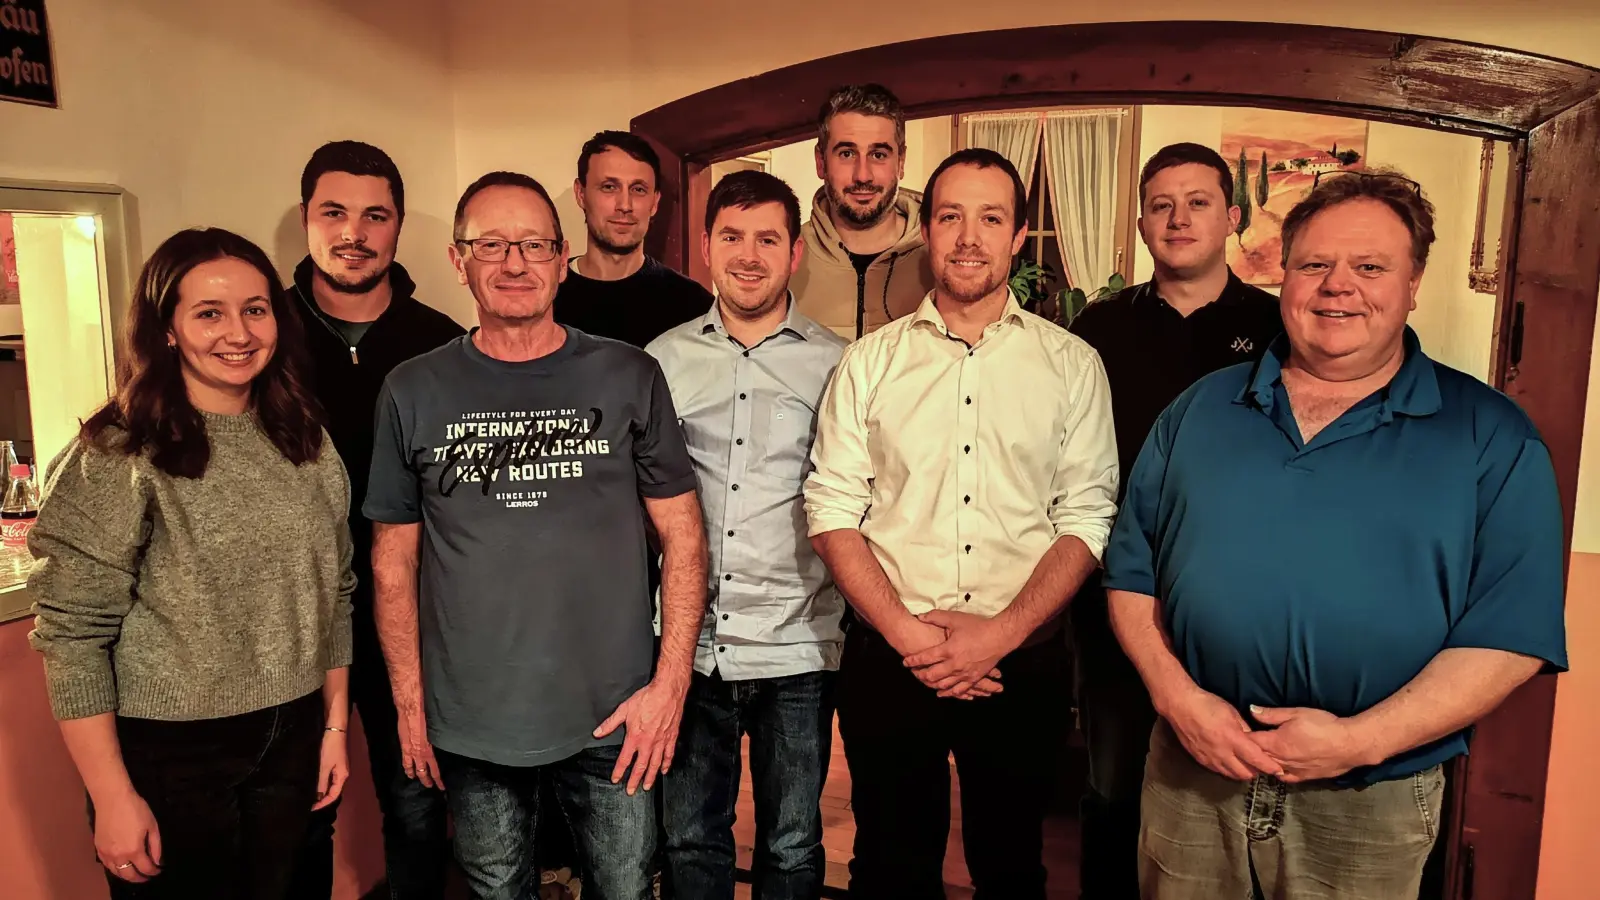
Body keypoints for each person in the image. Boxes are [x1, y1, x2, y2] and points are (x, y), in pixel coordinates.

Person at [1102, 170, 1568, 900]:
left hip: (1369, 798)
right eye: (1315, 264)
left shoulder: (1490, 437)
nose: (1337, 286)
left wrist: (1358, 742)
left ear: (1413, 283)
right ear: (1283, 275)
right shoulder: (1200, 410)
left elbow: (1510, 637)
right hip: (1194, 777)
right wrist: (1178, 701)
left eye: (1370, 266)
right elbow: (1132, 576)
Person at [367, 170, 709, 900]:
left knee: (623, 888)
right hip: (471, 716)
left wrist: (669, 683)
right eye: (490, 244)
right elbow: (393, 561)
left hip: (615, 713)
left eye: (532, 244)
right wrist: (409, 702)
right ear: (458, 261)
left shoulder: (628, 373)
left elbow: (683, 534)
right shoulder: (412, 389)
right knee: (496, 890)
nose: (514, 263)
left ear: (561, 258)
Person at [805, 148, 1119, 899]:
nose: (969, 236)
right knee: (889, 864)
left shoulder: (1072, 365)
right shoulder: (869, 363)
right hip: (892, 656)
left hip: (1022, 657)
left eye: (990, 218)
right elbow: (831, 508)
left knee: (1011, 864)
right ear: (926, 231)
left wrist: (999, 635)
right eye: (951, 216)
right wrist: (914, 637)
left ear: (1017, 236)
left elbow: (1086, 514)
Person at [27, 227, 355, 899]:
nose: (238, 332)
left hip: (294, 737)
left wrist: (333, 727)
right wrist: (111, 796)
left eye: (255, 309)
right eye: (209, 312)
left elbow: (336, 593)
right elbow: (72, 634)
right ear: (167, 328)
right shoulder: (118, 454)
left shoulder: (306, 441)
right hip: (172, 754)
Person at [1064, 142, 1282, 900]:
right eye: (1161, 204)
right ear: (1140, 223)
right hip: (1121, 591)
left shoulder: (1281, 326)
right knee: (1114, 784)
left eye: (1196, 201)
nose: (1179, 217)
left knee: (1234, 791)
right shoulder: (1095, 330)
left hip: (1241, 596)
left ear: (1231, 215)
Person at [649, 171, 848, 900]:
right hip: (688, 646)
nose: (749, 254)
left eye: (768, 238)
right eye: (732, 236)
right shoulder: (660, 361)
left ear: (794, 252)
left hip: (797, 643)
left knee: (793, 845)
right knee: (691, 838)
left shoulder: (838, 364)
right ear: (705, 248)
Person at [287, 139, 463, 900]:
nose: (354, 232)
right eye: (334, 212)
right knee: (299, 813)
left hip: (413, 618)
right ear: (305, 220)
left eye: (374, 215)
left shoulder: (442, 343)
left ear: (396, 229)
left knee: (418, 805)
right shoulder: (263, 339)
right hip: (291, 617)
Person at [791, 83, 935, 341]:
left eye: (878, 154)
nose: (863, 175)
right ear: (821, 161)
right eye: (847, 153)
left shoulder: (938, 259)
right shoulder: (787, 258)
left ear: (900, 162)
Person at [554, 130, 714, 348]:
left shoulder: (693, 306)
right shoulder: (546, 295)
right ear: (580, 194)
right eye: (609, 187)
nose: (625, 205)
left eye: (638, 189)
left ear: (655, 202)